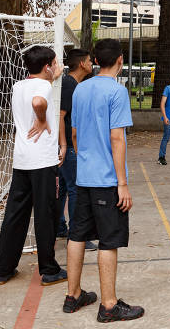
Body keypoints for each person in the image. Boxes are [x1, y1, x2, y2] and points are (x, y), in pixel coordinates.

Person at [64, 39, 144, 322]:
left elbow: (74, 133)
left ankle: (72, 296)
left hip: (83, 175)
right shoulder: (117, 91)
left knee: (77, 235)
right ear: (120, 60)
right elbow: (116, 138)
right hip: (105, 179)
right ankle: (109, 305)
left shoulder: (80, 88)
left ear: (96, 60)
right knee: (108, 240)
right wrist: (122, 183)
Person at [0, 45, 67, 287]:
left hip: (22, 159)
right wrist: (43, 118)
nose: (57, 66)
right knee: (46, 214)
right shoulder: (43, 87)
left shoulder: (18, 85)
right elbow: (38, 101)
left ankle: (4, 269)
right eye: (55, 63)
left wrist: (53, 77)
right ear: (47, 67)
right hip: (42, 161)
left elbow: (35, 92)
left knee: (15, 215)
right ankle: (49, 270)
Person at [57, 48, 97, 252]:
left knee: (64, 188)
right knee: (75, 190)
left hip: (68, 146)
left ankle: (59, 227)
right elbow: (60, 116)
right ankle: (76, 235)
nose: (92, 64)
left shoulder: (74, 84)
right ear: (82, 63)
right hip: (69, 147)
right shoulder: (69, 84)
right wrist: (64, 146)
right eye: (90, 61)